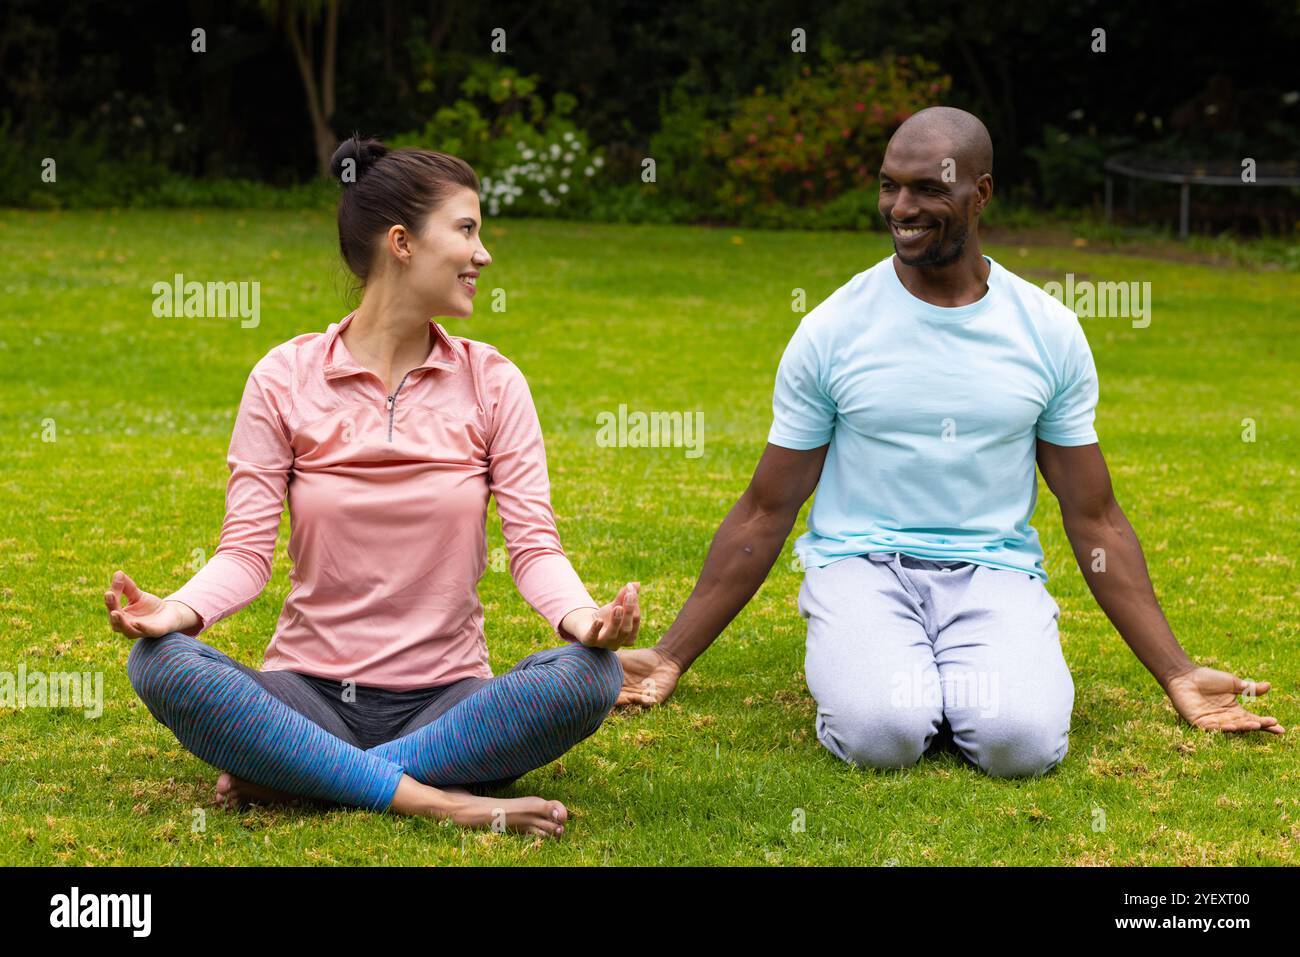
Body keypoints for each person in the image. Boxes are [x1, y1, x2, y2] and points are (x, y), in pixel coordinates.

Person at [616, 107, 1283, 777]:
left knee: (1019, 747)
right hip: (862, 565)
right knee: (884, 734)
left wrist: (1178, 671)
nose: (901, 207)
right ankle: (896, 678)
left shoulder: (1046, 332)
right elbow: (767, 507)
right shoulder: (832, 330)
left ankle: (946, 681)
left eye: (927, 189)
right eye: (888, 186)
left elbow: (1094, 515)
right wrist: (670, 654)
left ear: (980, 193)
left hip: (994, 572)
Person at [107, 136, 640, 837]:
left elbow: (535, 549)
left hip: (447, 702)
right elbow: (244, 554)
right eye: (467, 229)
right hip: (306, 693)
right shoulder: (284, 377)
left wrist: (583, 620)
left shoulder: (493, 382)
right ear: (402, 243)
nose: (484, 255)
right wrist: (175, 610)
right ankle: (437, 795)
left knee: (592, 676)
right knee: (161, 662)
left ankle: (301, 773)